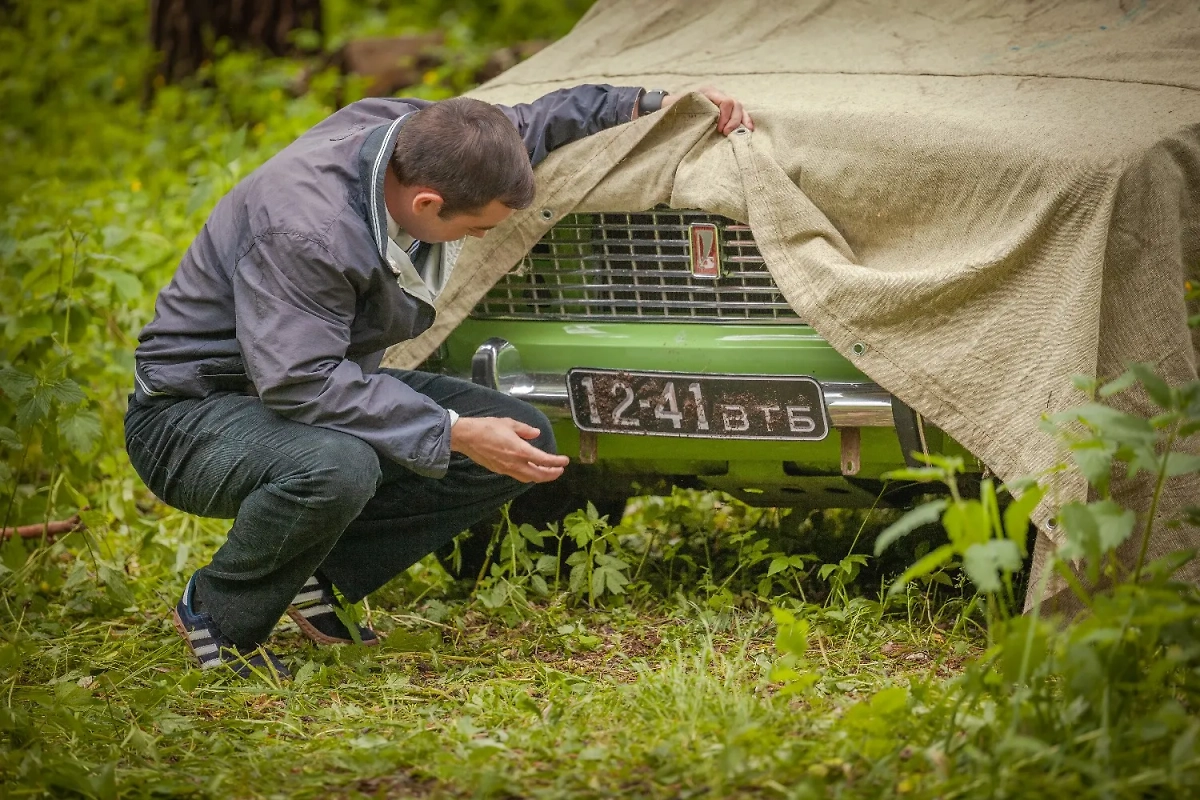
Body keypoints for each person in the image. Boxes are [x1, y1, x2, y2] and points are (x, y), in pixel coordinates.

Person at [124, 83, 754, 678]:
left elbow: (535, 120)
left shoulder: (427, 142)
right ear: (427, 204)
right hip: (193, 416)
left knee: (521, 434)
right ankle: (218, 613)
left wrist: (658, 103)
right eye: (477, 228)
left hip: (301, 386)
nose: (483, 236)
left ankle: (319, 579)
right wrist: (451, 430)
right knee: (339, 466)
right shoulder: (306, 229)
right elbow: (300, 383)